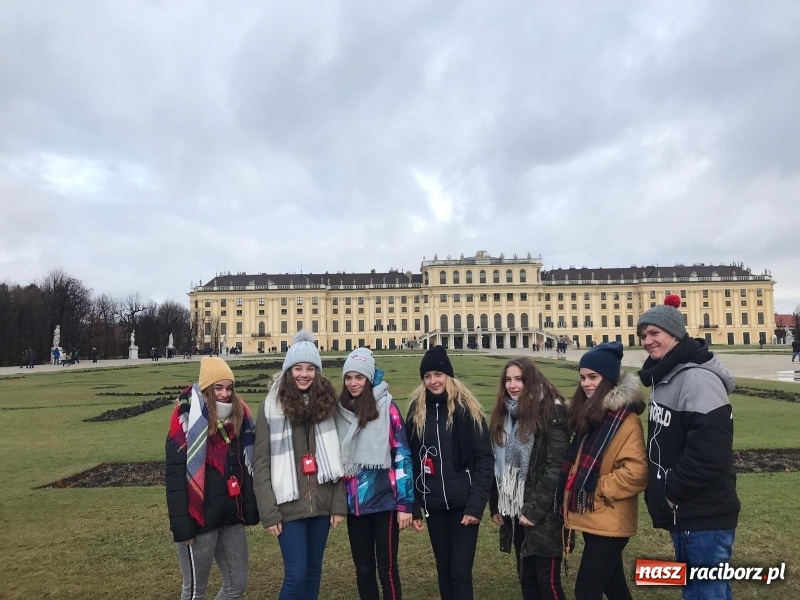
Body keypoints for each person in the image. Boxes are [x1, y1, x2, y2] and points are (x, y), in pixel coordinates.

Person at [637, 295, 740, 600]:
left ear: (676, 334)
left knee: (704, 593)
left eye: (655, 333)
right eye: (643, 335)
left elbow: (710, 455)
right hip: (686, 512)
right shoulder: (666, 375)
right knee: (703, 590)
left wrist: (670, 493)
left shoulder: (696, 379)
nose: (647, 341)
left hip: (701, 513)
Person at [253, 330, 346, 600]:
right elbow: (260, 463)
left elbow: (342, 458)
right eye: (297, 368)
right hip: (288, 504)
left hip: (321, 502)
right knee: (295, 575)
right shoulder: (271, 407)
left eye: (310, 368)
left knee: (313, 570)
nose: (304, 374)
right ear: (288, 370)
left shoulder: (328, 405)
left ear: (317, 372)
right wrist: (269, 513)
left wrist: (338, 505)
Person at [556, 342, 648, 600]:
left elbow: (637, 472)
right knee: (614, 586)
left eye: (593, 377)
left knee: (586, 590)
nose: (586, 383)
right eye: (583, 377)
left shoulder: (624, 420)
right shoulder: (595, 414)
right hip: (597, 516)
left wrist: (594, 489)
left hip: (609, 514)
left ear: (607, 379)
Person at [165, 356, 259, 600]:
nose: (225, 394)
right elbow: (175, 480)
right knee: (195, 591)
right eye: (218, 387)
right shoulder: (185, 419)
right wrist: (183, 527)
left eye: (229, 387)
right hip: (199, 521)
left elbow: (244, 466)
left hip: (230, 516)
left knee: (236, 585)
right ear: (206, 388)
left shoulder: (241, 415)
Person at [406, 345, 493, 600]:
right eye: (427, 376)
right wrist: (414, 505)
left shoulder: (468, 410)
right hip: (434, 505)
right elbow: (410, 459)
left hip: (464, 505)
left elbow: (484, 459)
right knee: (444, 570)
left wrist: (475, 507)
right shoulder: (416, 411)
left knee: (460, 572)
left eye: (438, 374)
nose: (433, 381)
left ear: (448, 375)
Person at [335, 348, 415, 600]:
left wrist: (405, 503)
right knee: (363, 569)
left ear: (369, 378)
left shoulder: (387, 409)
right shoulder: (340, 411)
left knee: (387, 570)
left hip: (384, 501)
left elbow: (402, 456)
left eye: (359, 377)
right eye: (349, 377)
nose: (353, 383)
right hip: (355, 506)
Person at [489, 357, 568, 600]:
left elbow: (557, 467)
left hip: (545, 513)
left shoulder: (551, 411)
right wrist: (497, 505)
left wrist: (533, 511)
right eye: (508, 380)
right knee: (526, 578)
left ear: (531, 380)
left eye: (519, 379)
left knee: (548, 583)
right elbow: (497, 464)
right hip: (515, 509)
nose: (513, 385)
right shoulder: (505, 414)